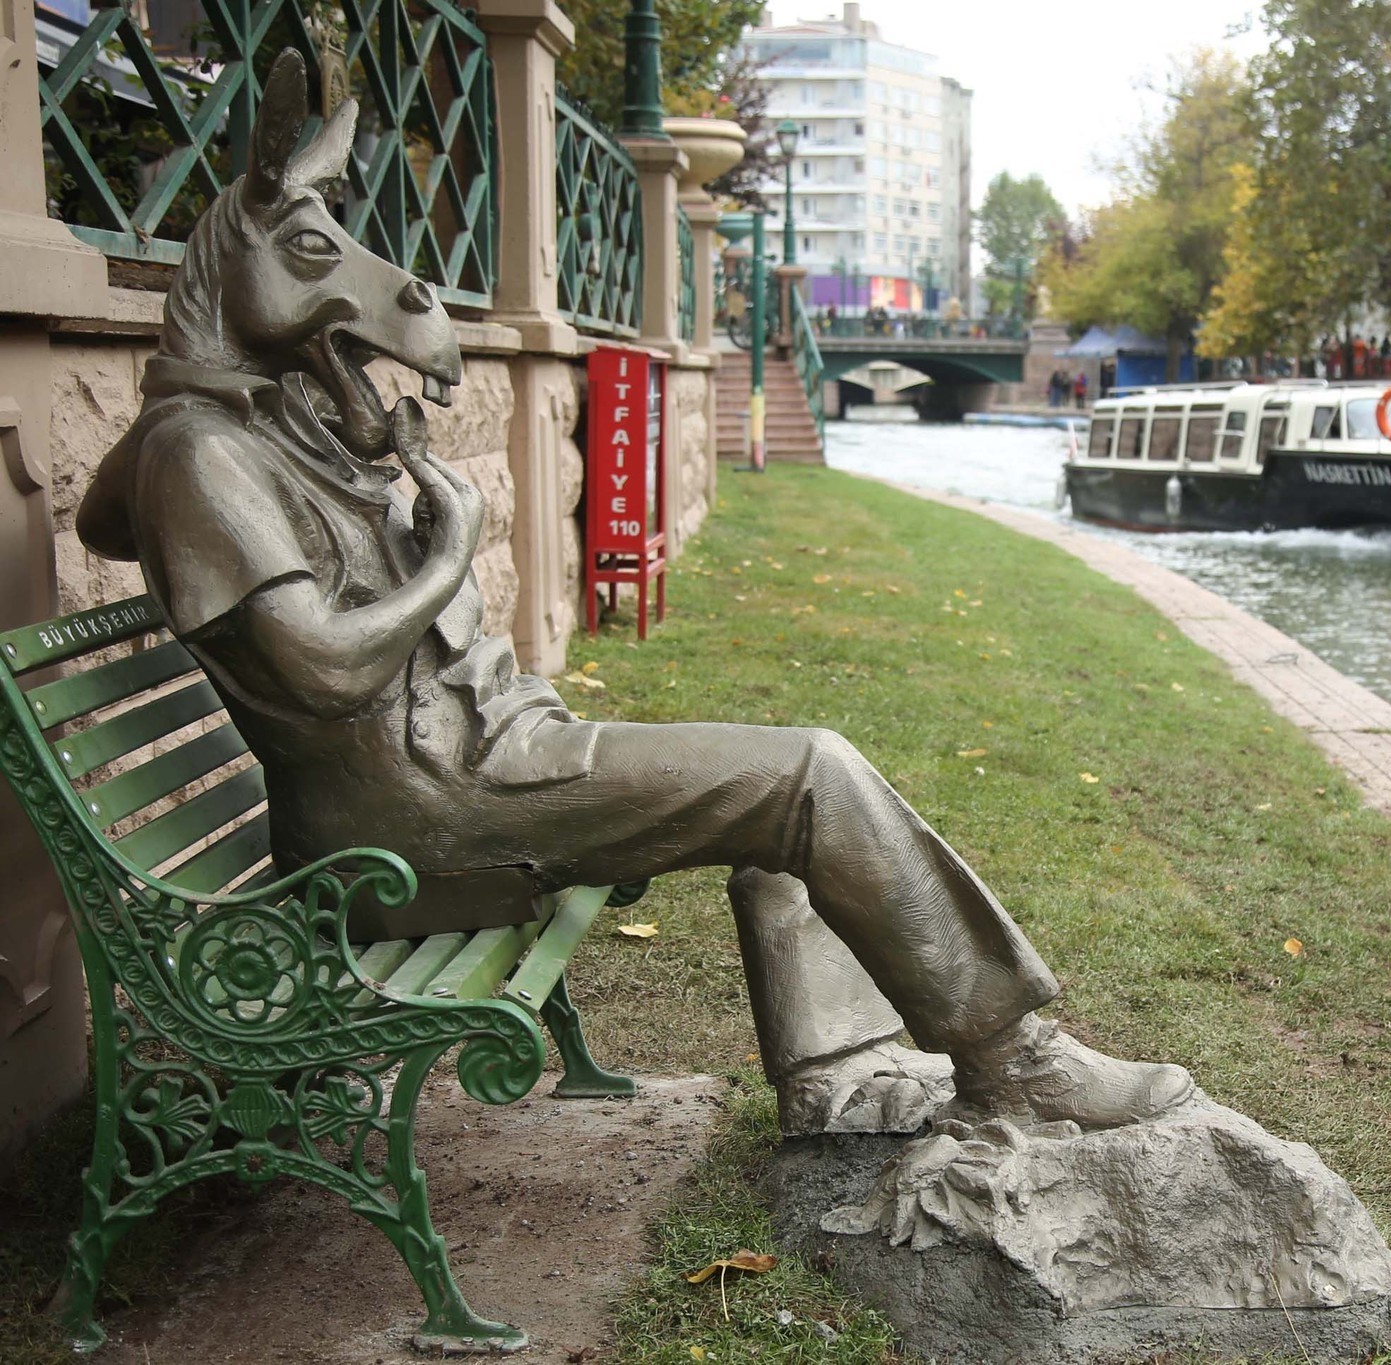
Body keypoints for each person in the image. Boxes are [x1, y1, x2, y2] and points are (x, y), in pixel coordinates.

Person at [76, 59, 1192, 1137]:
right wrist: (446, 553)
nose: (384, 288)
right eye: (315, 254)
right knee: (805, 774)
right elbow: (323, 667)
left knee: (771, 784)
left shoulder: (242, 430)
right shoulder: (202, 455)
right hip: (415, 830)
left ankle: (831, 1073)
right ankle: (1013, 1061)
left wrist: (359, 454)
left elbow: (105, 518)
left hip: (470, 766)